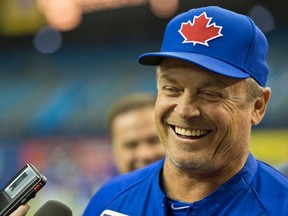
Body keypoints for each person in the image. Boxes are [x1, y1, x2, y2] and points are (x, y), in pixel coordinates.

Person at [83, 6, 288, 216]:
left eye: (210, 93)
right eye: (172, 89)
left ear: (257, 106)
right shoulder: (111, 200)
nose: (185, 110)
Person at [107, 93, 165, 174]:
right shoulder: (107, 187)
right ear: (114, 152)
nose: (145, 154)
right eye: (131, 145)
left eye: (154, 141)